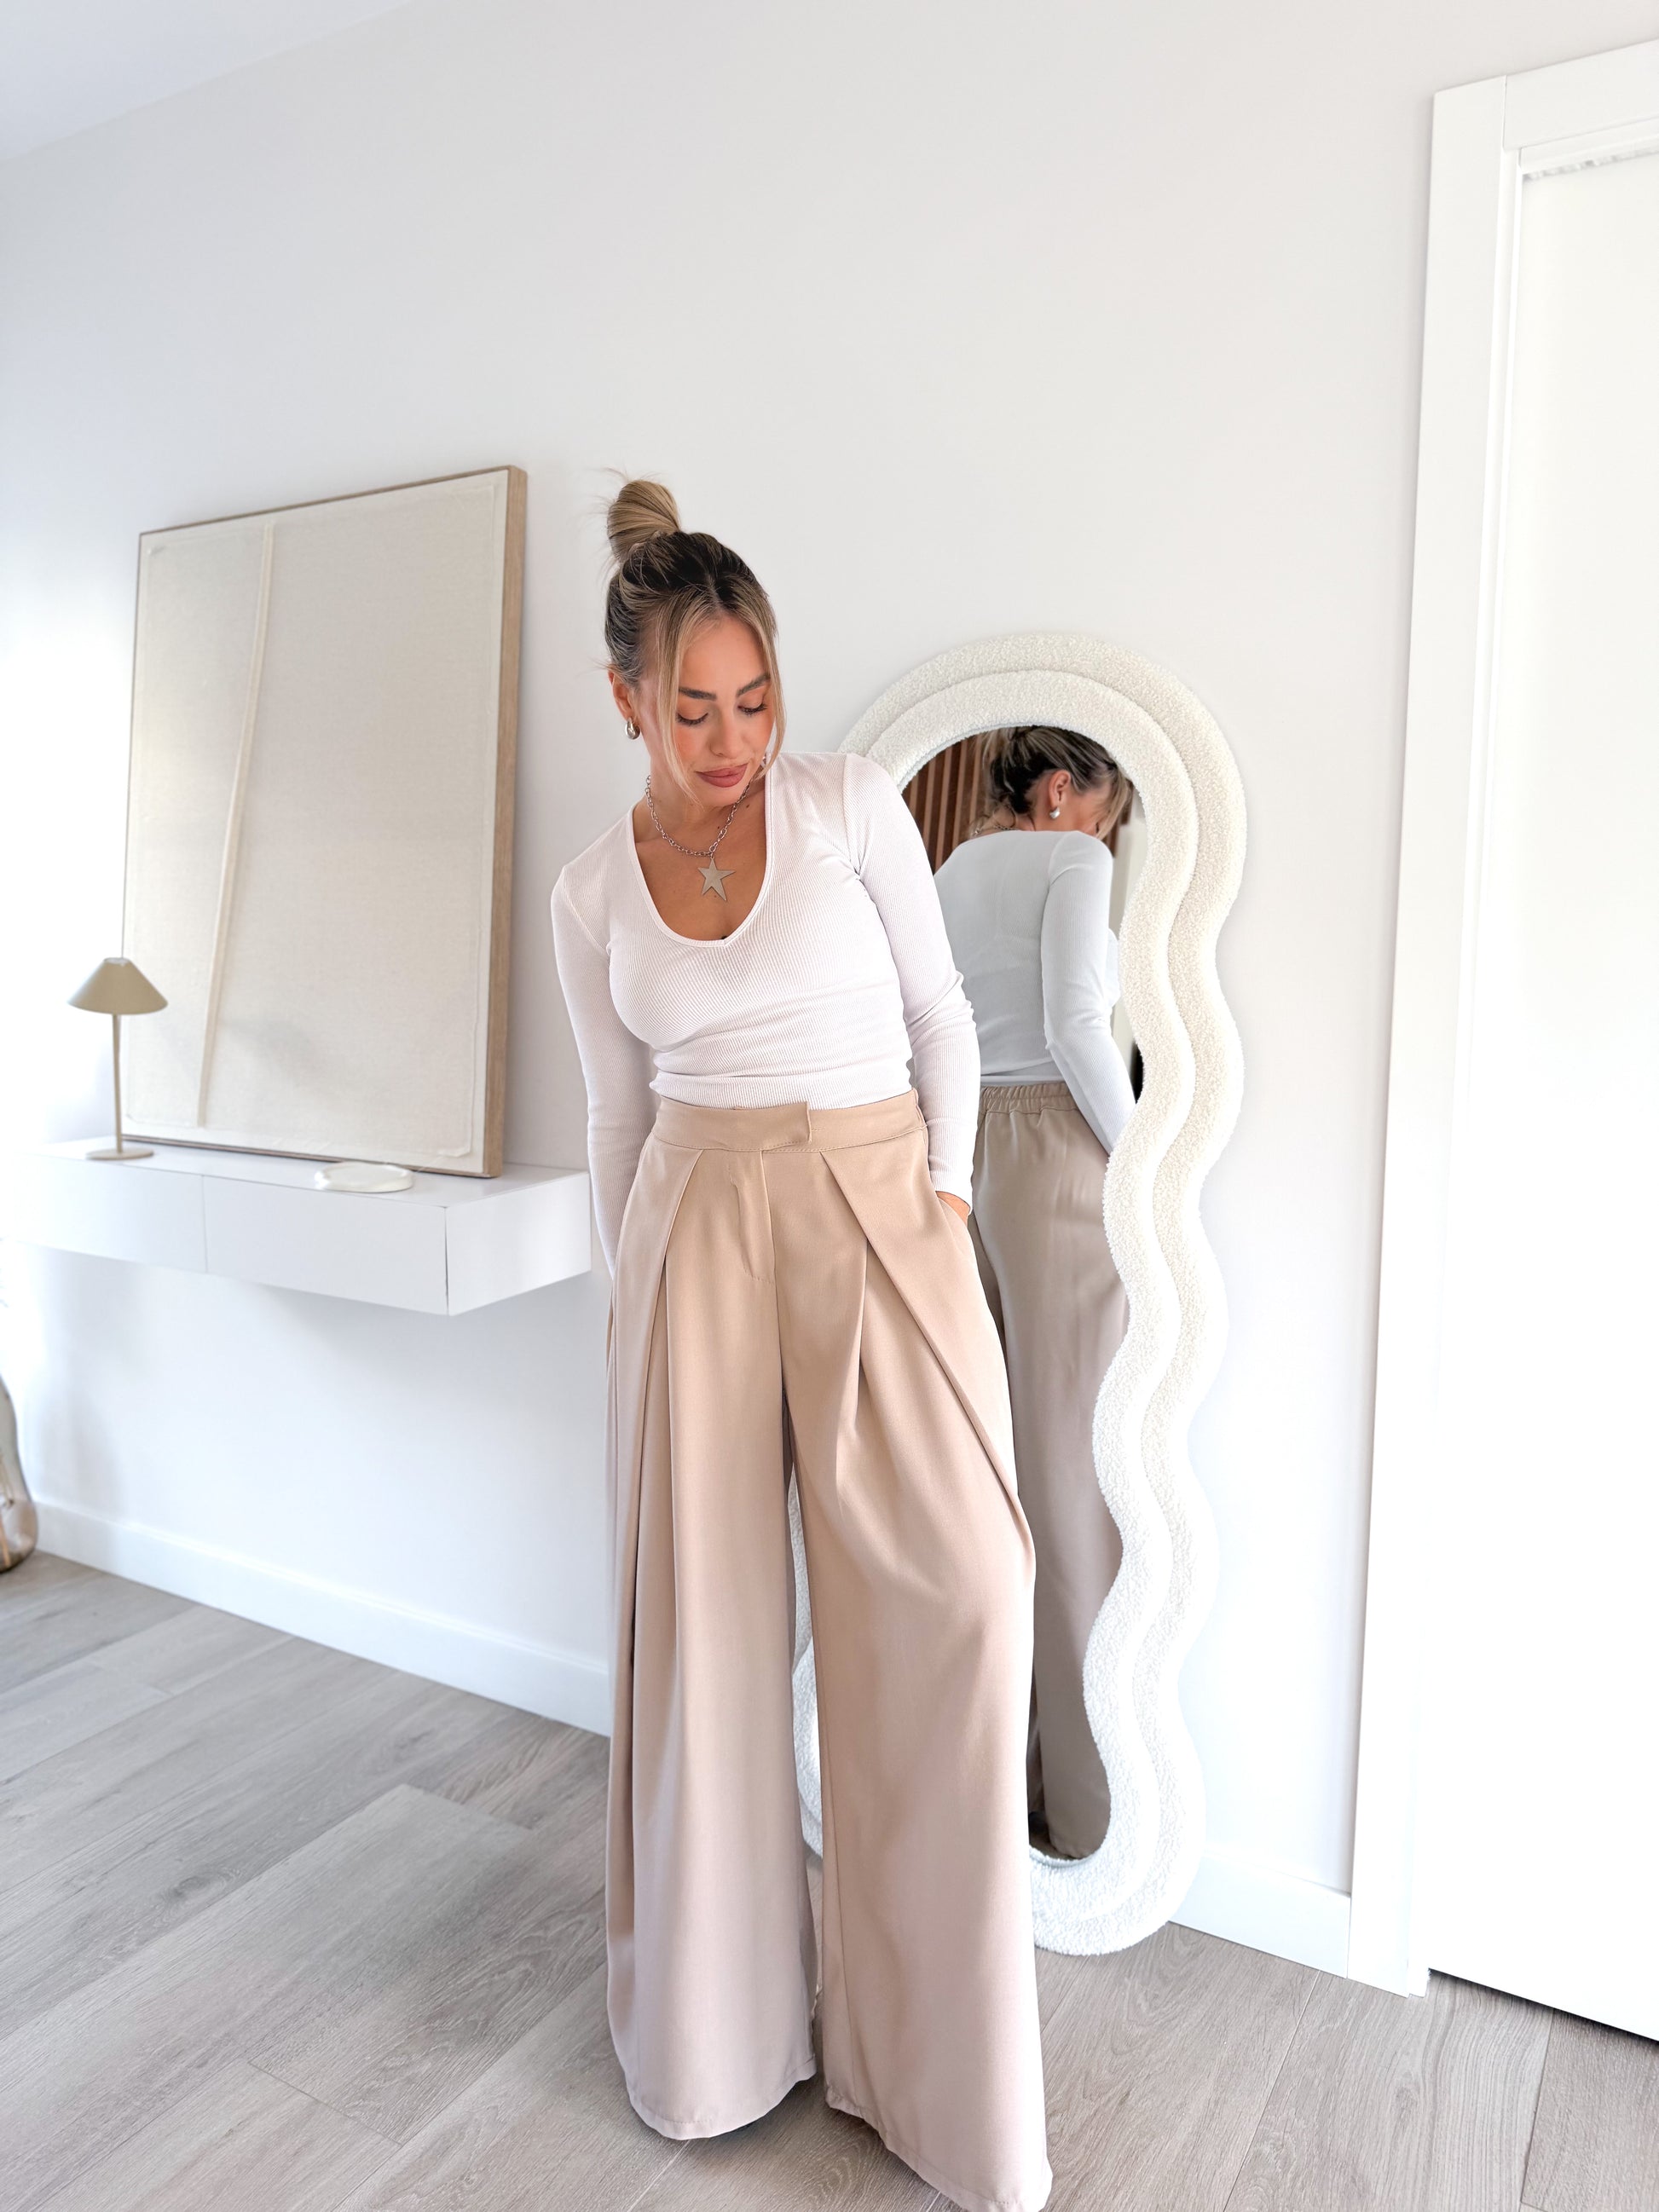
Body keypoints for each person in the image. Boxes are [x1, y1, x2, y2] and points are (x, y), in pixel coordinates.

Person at [550, 480, 1052, 2212]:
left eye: (755, 699)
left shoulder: (847, 806)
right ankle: (717, 2045)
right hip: (690, 1226)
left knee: (959, 1595)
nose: (732, 742)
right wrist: (627, 1294)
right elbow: (615, 1115)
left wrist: (942, 1201)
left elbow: (939, 1018)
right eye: (692, 708)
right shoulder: (590, 891)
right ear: (625, 698)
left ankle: (936, 2081)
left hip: (873, 1201)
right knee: (702, 1643)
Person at [932, 727, 1136, 1860]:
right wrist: (1143, 1164)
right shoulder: (1073, 860)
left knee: (989, 1486)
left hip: (964, 1157)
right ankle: (1087, 1813)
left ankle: (989, 1790)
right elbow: (1075, 1026)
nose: (1106, 833)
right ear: (1062, 791)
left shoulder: (950, 869)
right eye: (1105, 810)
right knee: (1068, 1485)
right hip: (1058, 1154)